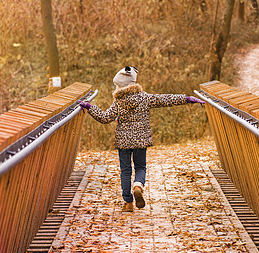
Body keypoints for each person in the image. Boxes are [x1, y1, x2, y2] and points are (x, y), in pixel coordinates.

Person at [78, 66, 205, 212]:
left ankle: (128, 203)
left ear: (119, 86)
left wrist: (89, 107)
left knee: (125, 171)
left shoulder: (118, 102)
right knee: (140, 167)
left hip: (124, 141)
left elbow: (105, 118)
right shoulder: (145, 98)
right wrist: (187, 99)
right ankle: (138, 186)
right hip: (141, 140)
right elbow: (164, 99)